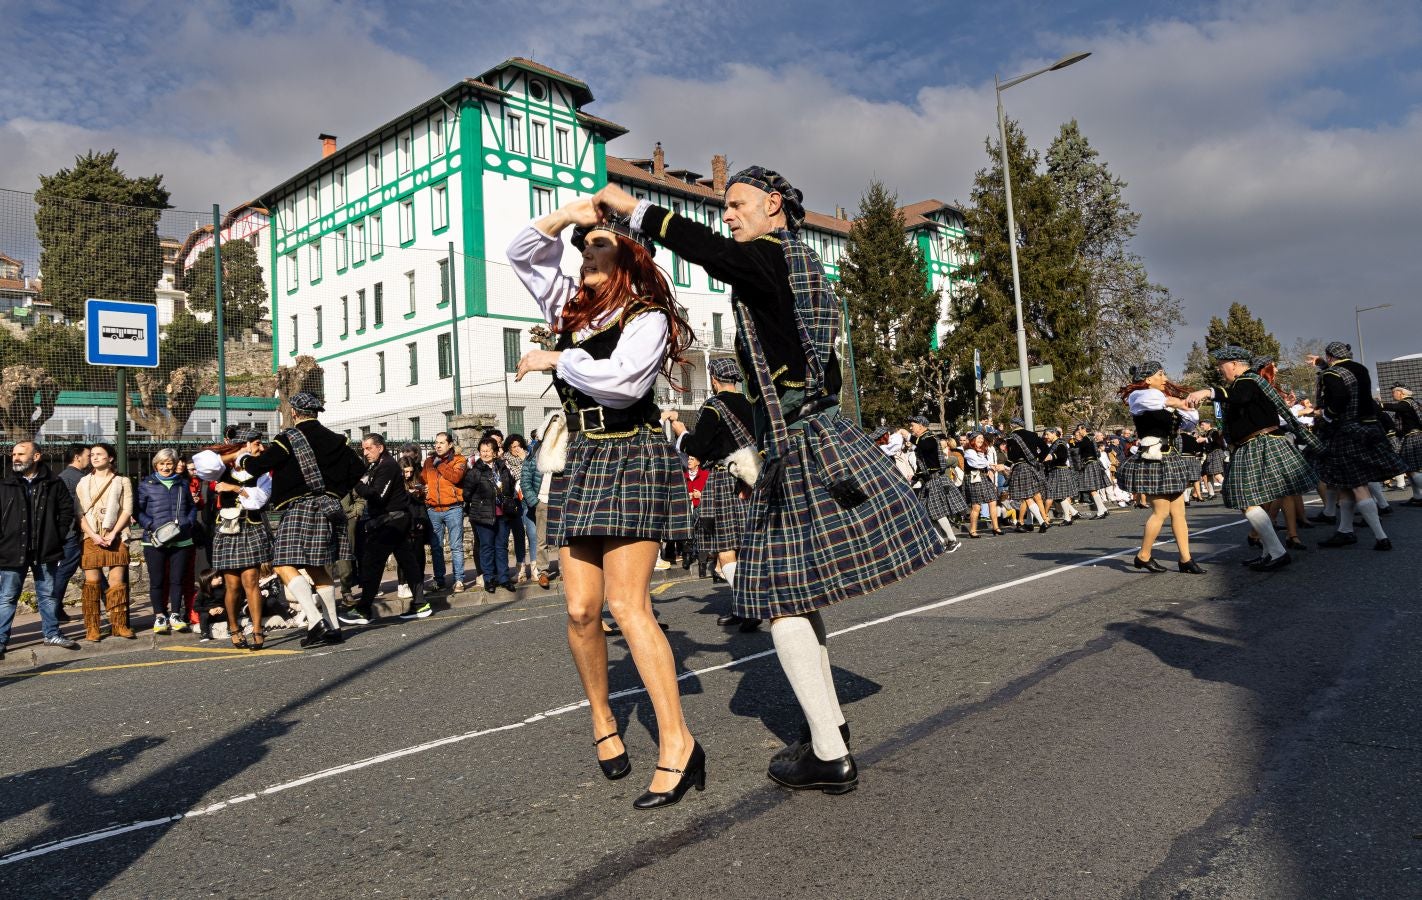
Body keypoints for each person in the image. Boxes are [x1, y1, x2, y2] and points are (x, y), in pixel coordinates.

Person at [595, 166, 943, 795]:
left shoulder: (769, 255)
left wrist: (635, 211)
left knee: (778, 597)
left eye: (735, 204)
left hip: (800, 443)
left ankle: (831, 754)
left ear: (772, 204)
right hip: (817, 429)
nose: (727, 214)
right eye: (725, 207)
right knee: (798, 593)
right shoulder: (806, 263)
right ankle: (828, 725)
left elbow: (718, 255)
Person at [508, 197, 702, 809]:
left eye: (600, 245)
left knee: (626, 602)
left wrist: (555, 357)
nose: (586, 253)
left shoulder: (645, 316)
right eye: (583, 246)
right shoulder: (571, 304)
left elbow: (622, 386)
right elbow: (519, 251)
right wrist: (568, 216)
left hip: (631, 454)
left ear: (629, 255)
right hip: (581, 458)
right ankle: (602, 719)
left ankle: (677, 742)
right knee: (580, 610)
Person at [226, 391, 365, 647]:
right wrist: (334, 492)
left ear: (294, 413)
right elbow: (359, 470)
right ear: (316, 412)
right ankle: (333, 627)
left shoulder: (288, 438)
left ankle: (316, 621)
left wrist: (244, 457)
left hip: (302, 507)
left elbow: (257, 467)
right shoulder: (338, 440)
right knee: (317, 567)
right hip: (330, 507)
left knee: (281, 564)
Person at [1185, 346, 1319, 571]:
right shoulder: (1252, 381)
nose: (1220, 370)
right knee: (1255, 500)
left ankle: (1276, 552)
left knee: (1246, 499)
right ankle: (1269, 551)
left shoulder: (1246, 381)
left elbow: (1240, 397)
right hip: (1259, 444)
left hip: (1260, 444)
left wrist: (1207, 392)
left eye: (1222, 365)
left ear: (1235, 364)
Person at [664, 356, 760, 626]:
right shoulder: (754, 405)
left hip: (723, 478)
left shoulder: (713, 407)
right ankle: (744, 607)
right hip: (751, 477)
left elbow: (700, 447)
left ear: (714, 381)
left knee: (725, 546)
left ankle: (746, 604)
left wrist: (682, 433)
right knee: (746, 544)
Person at [1309, 342, 1406, 551]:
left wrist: (1324, 415)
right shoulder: (1360, 369)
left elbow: (1339, 397)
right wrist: (1322, 363)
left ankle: (1381, 537)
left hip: (1345, 431)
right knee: (1346, 485)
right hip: (1368, 428)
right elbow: (1346, 379)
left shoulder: (1332, 374)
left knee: (1357, 485)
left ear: (1330, 356)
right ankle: (1345, 531)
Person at [1115, 362, 1204, 573]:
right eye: (1160, 375)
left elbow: (1190, 423)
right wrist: (1179, 402)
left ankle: (1185, 559)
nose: (1165, 379)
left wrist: (1186, 406)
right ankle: (1143, 555)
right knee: (1161, 512)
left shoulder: (1164, 403)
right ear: (1148, 379)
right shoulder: (1140, 397)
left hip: (1170, 457)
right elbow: (1156, 400)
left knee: (1179, 512)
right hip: (1154, 459)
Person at [193, 431, 273, 649]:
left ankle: (257, 629)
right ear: (245, 444)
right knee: (233, 585)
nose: (261, 448)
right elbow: (202, 463)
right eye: (257, 444)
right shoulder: (222, 468)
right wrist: (237, 453)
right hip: (228, 529)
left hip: (251, 526)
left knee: (251, 582)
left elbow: (258, 501)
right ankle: (234, 627)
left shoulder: (263, 471)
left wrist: (235, 488)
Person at [0, 441, 81, 657]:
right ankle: (0, 640)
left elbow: (66, 510)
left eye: (20, 453)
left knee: (48, 594)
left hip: (45, 549)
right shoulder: (6, 484)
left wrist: (57, 535)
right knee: (7, 597)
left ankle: (51, 633)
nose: (15, 458)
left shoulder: (54, 483)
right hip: (11, 550)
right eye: (13, 454)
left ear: (36, 456)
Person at [338, 432, 428, 625]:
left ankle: (364, 610)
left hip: (391, 521)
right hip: (391, 520)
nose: (365, 452)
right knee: (407, 560)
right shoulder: (375, 465)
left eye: (368, 448)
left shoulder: (387, 466)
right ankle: (420, 603)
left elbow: (377, 495)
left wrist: (355, 485)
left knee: (372, 562)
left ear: (380, 447)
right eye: (363, 448)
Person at [75, 442, 135, 641]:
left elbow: (127, 509)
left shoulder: (122, 481)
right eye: (92, 454)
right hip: (91, 536)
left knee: (117, 583)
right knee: (92, 583)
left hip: (115, 535)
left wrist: (113, 533)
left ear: (110, 458)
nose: (95, 457)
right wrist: (93, 535)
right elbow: (79, 513)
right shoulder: (83, 482)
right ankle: (92, 627)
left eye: (100, 454)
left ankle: (119, 625)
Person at [135, 448, 199, 634]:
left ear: (175, 464)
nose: (165, 467)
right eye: (162, 463)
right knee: (157, 581)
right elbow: (137, 510)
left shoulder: (183, 484)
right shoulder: (146, 484)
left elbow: (192, 508)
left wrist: (188, 522)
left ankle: (175, 615)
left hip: (181, 539)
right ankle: (160, 616)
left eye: (169, 463)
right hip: (154, 540)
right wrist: (150, 525)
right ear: (156, 464)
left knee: (177, 580)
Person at [462, 435, 519, 595]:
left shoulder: (503, 467)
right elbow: (466, 494)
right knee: (486, 548)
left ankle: (504, 578)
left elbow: (509, 486)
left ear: (495, 452)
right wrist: (480, 500)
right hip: (483, 515)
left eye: (488, 451)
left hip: (503, 513)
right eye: (482, 451)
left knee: (501, 547)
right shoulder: (475, 471)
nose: (485, 454)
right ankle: (489, 579)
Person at [908, 415, 964, 551]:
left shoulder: (930, 438)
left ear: (921, 426)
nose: (910, 428)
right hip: (928, 482)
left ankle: (952, 540)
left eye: (912, 425)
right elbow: (923, 467)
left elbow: (926, 446)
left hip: (936, 480)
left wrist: (908, 437)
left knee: (937, 512)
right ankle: (940, 542)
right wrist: (914, 479)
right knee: (926, 514)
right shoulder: (923, 440)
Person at [421, 432, 467, 593]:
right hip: (433, 509)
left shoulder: (459, 460)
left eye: (441, 443)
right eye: (436, 443)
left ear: (450, 445)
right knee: (436, 547)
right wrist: (423, 490)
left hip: (453, 508)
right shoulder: (428, 462)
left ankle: (459, 579)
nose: (438, 446)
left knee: (456, 546)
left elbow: (455, 477)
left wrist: (439, 464)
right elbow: (423, 480)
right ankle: (439, 580)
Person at [53, 443, 91, 623]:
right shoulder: (75, 478)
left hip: (75, 532)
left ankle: (108, 601)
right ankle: (54, 608)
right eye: (88, 455)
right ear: (77, 457)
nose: (90, 459)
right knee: (66, 570)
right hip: (73, 533)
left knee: (91, 567)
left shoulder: (67, 476)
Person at [1380, 382, 1422, 506]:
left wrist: (1380, 405)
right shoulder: (1413, 403)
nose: (1392, 394)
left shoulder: (1407, 403)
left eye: (1394, 391)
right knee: (1409, 469)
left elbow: (1396, 408)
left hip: (1414, 438)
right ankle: (1418, 497)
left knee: (1413, 469)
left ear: (1401, 392)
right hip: (1410, 437)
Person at [502, 434, 536, 583]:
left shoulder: (530, 458)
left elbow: (534, 475)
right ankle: (520, 569)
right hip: (515, 501)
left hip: (528, 500)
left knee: (533, 533)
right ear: (509, 447)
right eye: (513, 446)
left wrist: (524, 459)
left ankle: (536, 569)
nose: (516, 449)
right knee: (518, 535)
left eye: (519, 446)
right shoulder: (505, 461)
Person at [962, 432, 1006, 537]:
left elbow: (986, 464)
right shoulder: (969, 451)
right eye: (978, 438)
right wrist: (989, 464)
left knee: (993, 501)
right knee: (976, 506)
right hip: (974, 478)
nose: (981, 440)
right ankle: (972, 530)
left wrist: (993, 467)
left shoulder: (983, 451)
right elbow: (976, 463)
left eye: (982, 438)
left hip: (984, 477)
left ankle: (996, 527)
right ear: (973, 439)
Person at [1040, 426, 1080, 525]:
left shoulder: (1060, 443)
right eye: (1045, 434)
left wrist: (1052, 457)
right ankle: (1073, 513)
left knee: (1060, 495)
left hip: (1060, 470)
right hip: (1056, 471)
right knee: (1058, 495)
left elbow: (1062, 455)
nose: (1046, 436)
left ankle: (1068, 518)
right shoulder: (1055, 443)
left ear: (1053, 433)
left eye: (1047, 434)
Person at [1072, 424, 1111, 519]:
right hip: (1093, 463)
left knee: (1092, 489)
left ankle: (1101, 511)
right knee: (1092, 489)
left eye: (1079, 430)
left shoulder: (1086, 439)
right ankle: (1104, 509)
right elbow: (1097, 453)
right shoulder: (1091, 439)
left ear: (1084, 429)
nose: (1079, 432)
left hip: (1089, 464)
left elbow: (1078, 451)